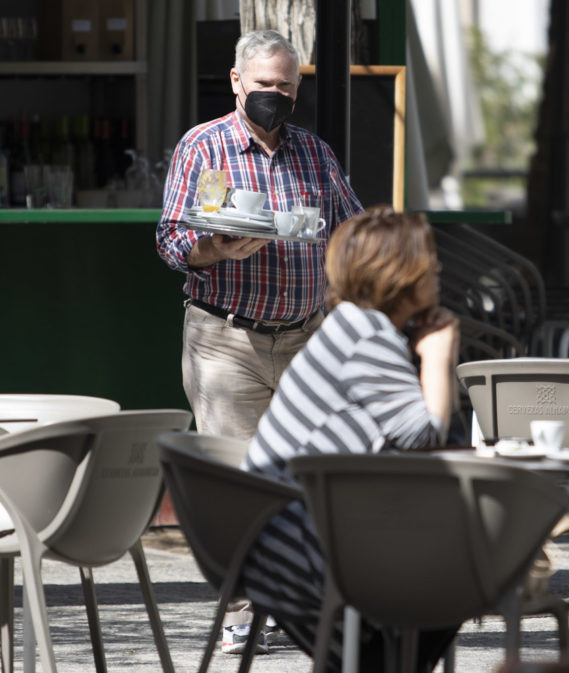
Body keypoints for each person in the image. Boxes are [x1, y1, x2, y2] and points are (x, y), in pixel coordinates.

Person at [155, 29, 362, 653]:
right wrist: (212, 249)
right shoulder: (203, 147)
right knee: (239, 482)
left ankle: (307, 602)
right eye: (265, 84)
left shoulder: (314, 154)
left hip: (307, 341)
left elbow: (353, 229)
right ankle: (243, 616)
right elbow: (169, 240)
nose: (275, 95)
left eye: (286, 86)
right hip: (226, 340)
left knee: (311, 476)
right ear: (238, 82)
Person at [239, 206, 460, 672]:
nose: (437, 269)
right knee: (455, 582)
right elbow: (423, 435)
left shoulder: (350, 325)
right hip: (300, 558)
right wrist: (439, 355)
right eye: (428, 259)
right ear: (399, 272)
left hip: (273, 546)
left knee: (438, 584)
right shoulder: (367, 335)